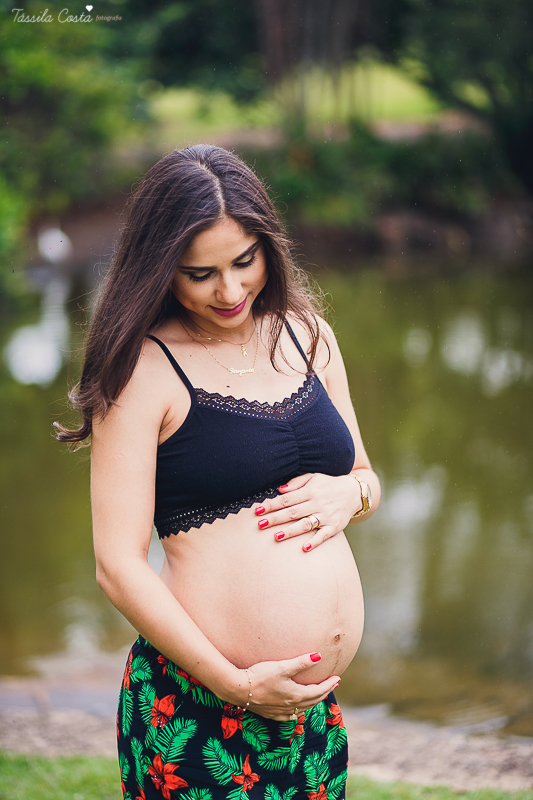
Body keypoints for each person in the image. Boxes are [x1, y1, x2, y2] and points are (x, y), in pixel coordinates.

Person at [56, 144, 381, 800]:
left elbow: (365, 476)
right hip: (203, 708)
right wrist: (230, 682)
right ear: (160, 269)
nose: (229, 290)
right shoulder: (142, 372)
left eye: (243, 262)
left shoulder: (306, 333)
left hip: (310, 715)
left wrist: (351, 493)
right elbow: (117, 566)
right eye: (199, 273)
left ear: (267, 245)